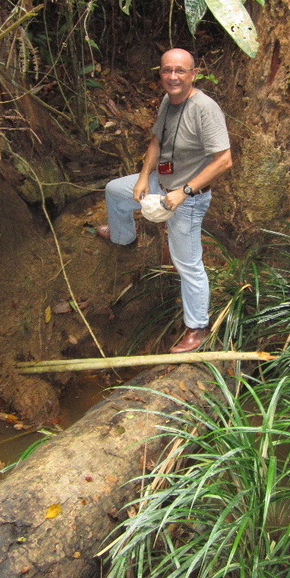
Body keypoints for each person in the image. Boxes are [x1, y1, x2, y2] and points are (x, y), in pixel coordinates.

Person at [98, 48, 232, 353]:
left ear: (193, 74)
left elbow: (224, 161)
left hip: (189, 197)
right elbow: (157, 140)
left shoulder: (204, 109)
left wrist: (182, 193)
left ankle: (197, 328)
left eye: (180, 71)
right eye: (167, 70)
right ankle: (122, 237)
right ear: (160, 73)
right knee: (115, 191)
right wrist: (145, 176)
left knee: (187, 264)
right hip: (161, 182)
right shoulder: (168, 101)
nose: (173, 77)